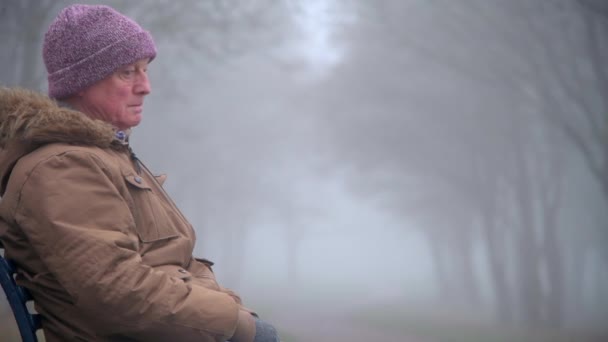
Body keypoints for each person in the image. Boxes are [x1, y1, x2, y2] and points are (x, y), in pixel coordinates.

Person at [0, 4, 279, 342]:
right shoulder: (63, 168)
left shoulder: (106, 155)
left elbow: (179, 261)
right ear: (81, 82)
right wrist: (235, 322)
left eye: (144, 70)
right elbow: (118, 293)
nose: (145, 86)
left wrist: (231, 314)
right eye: (128, 73)